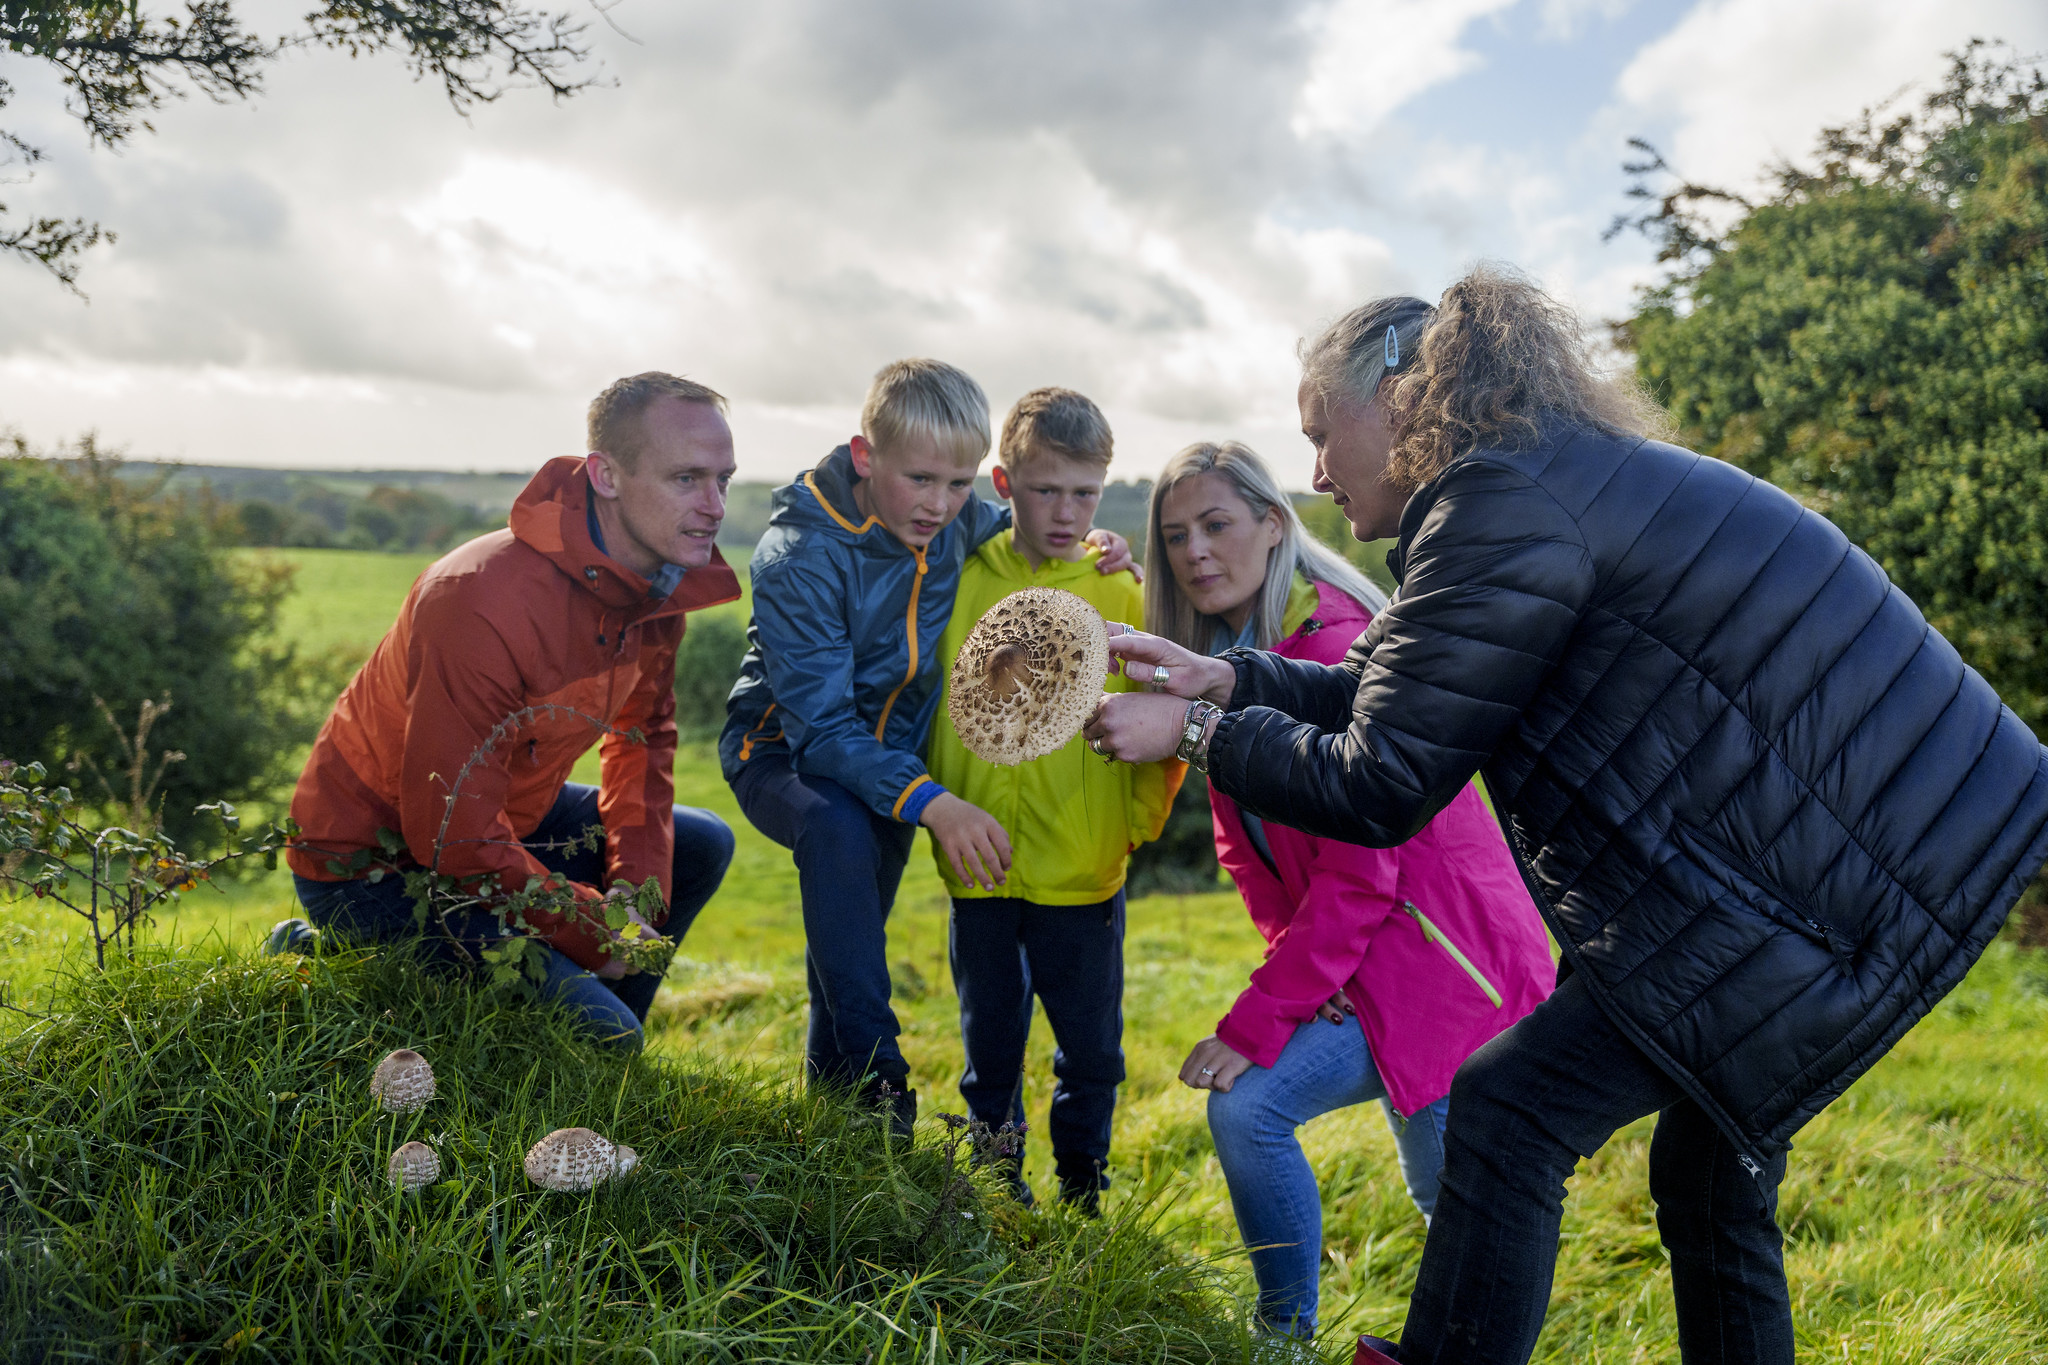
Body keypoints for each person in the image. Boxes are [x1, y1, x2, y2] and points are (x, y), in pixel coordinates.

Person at [1086, 267, 2048, 1365]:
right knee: (1705, 1171)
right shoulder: (1532, 483)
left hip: (1852, 882)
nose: (1312, 471)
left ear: (1398, 403)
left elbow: (1382, 778)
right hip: (1889, 860)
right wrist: (1225, 684)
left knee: (1506, 1112)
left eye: (1319, 431)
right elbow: (1388, 689)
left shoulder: (1499, 506)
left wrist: (1199, 740)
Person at [1139, 438, 1553, 1339]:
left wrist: (1262, 1017)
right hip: (1367, 967)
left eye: (1216, 524)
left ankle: (1289, 1339)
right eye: (1175, 536)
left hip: (1444, 969)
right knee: (1426, 1189)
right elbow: (1247, 851)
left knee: (1455, 1203)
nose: (1195, 551)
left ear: (1275, 524)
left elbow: (1361, 875)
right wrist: (1305, 981)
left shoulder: (1324, 643)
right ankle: (1287, 1338)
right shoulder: (1230, 652)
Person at [720, 360, 1134, 1137]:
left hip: (892, 768)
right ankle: (884, 1090)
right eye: (921, 479)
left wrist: (1104, 544)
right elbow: (822, 728)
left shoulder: (950, 521)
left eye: (958, 483)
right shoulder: (797, 557)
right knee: (840, 844)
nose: (941, 505)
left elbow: (1037, 529)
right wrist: (936, 803)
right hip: (787, 753)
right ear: (865, 455)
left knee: (849, 949)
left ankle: (835, 1135)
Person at [274, 372, 745, 1049]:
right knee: (601, 1034)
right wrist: (587, 927)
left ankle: (590, 1039)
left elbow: (642, 742)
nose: (714, 505)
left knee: (700, 842)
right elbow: (448, 830)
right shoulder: (479, 599)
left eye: (724, 480)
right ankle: (323, 957)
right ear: (606, 475)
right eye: (687, 479)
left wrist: (630, 907)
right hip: (375, 863)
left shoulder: (656, 588)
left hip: (499, 829)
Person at [924, 387, 1176, 1211]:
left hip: (1085, 873)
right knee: (990, 1047)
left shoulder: (1122, 595)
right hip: (981, 868)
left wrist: (1130, 830)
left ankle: (1081, 1196)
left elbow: (1163, 729)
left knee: (1092, 1053)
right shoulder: (956, 580)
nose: (1065, 512)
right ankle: (997, 1191)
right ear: (1003, 482)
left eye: (1084, 493)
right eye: (1044, 490)